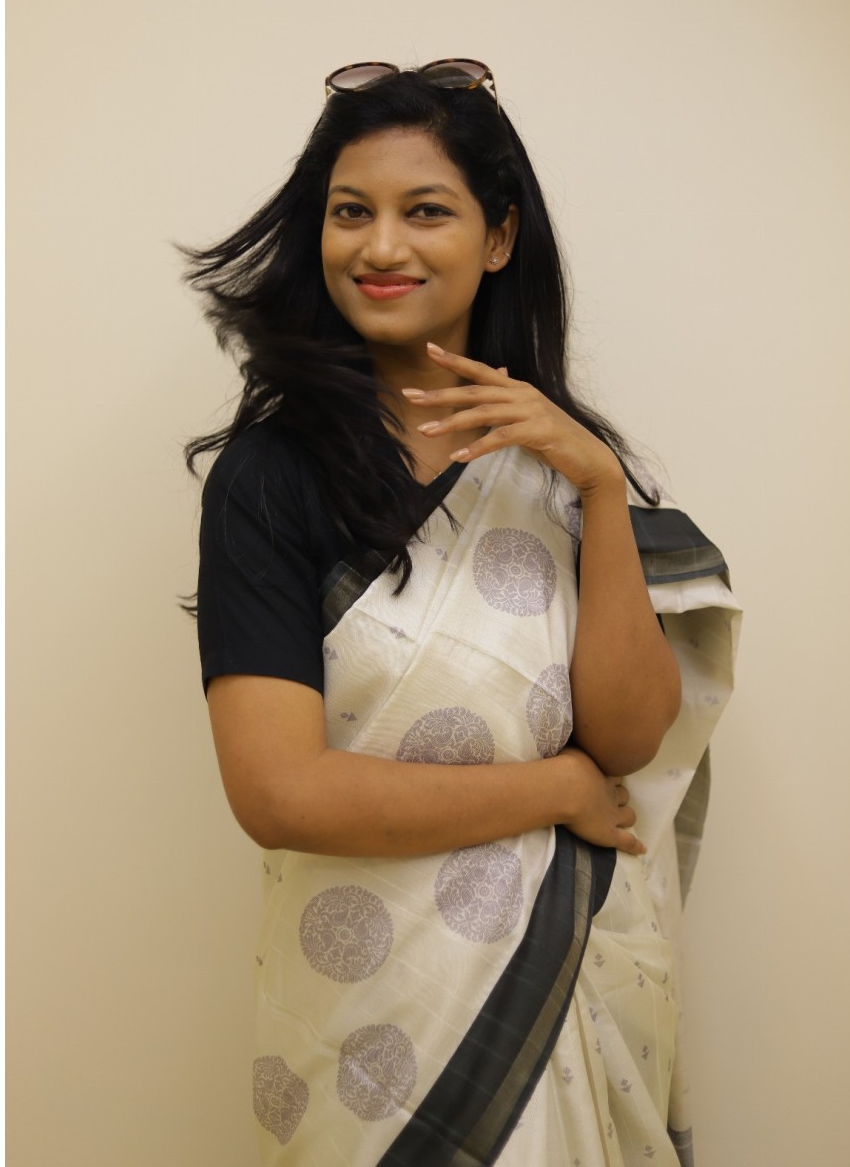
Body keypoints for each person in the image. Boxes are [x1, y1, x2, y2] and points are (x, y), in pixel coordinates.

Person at [185, 60, 741, 1166]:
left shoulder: (566, 468)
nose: (380, 246)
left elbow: (629, 733)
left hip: (558, 992)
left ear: (499, 237)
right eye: (351, 212)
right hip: (361, 1024)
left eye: (426, 210)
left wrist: (598, 490)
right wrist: (554, 789)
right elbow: (278, 789)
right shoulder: (270, 477)